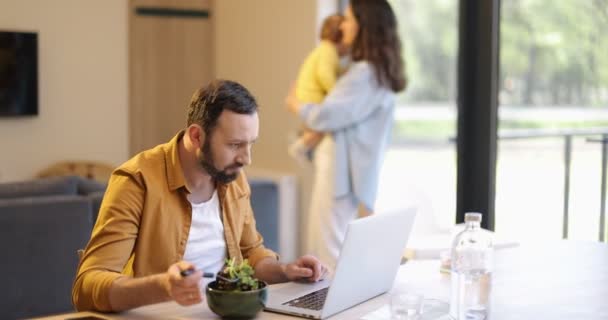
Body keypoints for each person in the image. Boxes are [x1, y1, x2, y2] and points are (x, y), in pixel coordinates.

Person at [72, 80, 328, 312]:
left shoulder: (233, 177)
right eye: (235, 145)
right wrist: (163, 287)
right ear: (196, 136)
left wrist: (287, 271)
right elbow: (87, 285)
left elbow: (251, 253)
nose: (246, 159)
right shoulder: (136, 181)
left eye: (251, 144)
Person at [286, 0, 407, 268]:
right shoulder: (374, 71)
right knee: (331, 242)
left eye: (350, 18)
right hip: (349, 169)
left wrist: (295, 104)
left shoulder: (366, 74)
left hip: (340, 170)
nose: (344, 24)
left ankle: (328, 306)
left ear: (364, 26)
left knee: (328, 246)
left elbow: (327, 114)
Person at [288, 14, 349, 165]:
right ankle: (301, 146)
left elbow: (332, 70)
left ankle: (303, 144)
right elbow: (325, 75)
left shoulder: (323, 51)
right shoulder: (329, 52)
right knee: (325, 124)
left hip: (307, 95)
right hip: (312, 96)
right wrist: (335, 91)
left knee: (321, 127)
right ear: (340, 38)